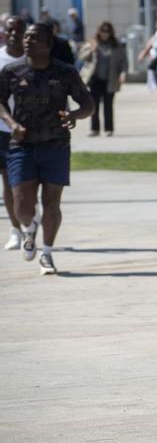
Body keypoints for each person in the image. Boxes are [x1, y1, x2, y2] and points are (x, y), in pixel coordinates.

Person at [0, 23, 95, 275]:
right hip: (21, 145)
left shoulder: (65, 72)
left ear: (47, 44)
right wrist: (11, 123)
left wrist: (73, 116)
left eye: (35, 37)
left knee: (51, 202)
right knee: (22, 206)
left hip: (56, 145)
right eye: (27, 37)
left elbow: (88, 104)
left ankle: (47, 254)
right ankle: (29, 228)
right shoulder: (12, 70)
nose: (28, 41)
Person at [0, 16, 26, 250]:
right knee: (8, 181)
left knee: (28, 183)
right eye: (10, 29)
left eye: (19, 29)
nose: (14, 33)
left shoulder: (34, 58)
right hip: (3, 130)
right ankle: (16, 229)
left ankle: (28, 217)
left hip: (31, 129)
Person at [78, 21, 127, 137]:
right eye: (103, 31)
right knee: (94, 105)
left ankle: (109, 129)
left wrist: (123, 73)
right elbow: (81, 56)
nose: (105, 34)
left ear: (111, 33)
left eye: (107, 31)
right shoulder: (93, 43)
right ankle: (95, 129)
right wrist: (91, 49)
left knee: (108, 105)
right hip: (95, 79)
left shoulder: (116, 46)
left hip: (110, 79)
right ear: (99, 31)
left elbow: (123, 61)